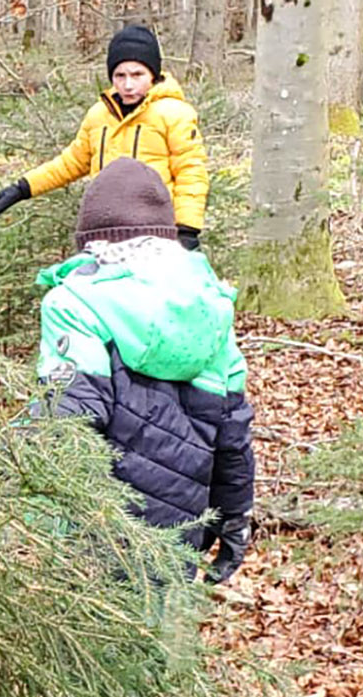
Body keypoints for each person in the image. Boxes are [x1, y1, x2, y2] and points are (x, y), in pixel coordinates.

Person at [35, 158, 253, 582]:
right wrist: (235, 515)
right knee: (165, 638)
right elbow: (233, 430)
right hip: (181, 532)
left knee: (99, 641)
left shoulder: (74, 304)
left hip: (98, 530)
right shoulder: (208, 303)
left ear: (93, 243)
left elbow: (70, 415)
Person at [0, 25, 210, 251]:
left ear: (153, 74)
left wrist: (187, 229)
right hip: (103, 234)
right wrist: (22, 188)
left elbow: (191, 173)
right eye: (120, 75)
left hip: (156, 235)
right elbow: (70, 163)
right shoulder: (99, 115)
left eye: (137, 74)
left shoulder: (174, 113)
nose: (128, 84)